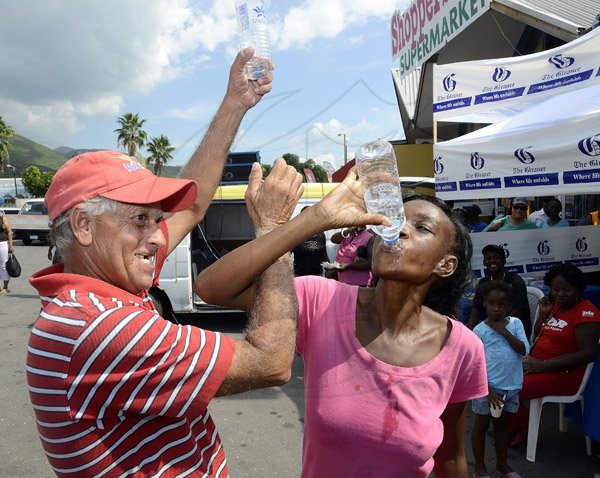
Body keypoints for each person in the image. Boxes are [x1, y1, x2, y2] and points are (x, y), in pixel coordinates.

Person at [25, 48, 294, 478]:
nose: (157, 234)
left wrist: (233, 104)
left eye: (156, 218)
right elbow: (272, 362)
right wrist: (275, 233)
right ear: (84, 225)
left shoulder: (97, 290)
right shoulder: (100, 326)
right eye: (139, 218)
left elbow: (195, 204)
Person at [195, 190, 489, 477]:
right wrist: (312, 220)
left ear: (445, 265)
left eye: (421, 227)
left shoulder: (462, 348)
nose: (398, 230)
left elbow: (451, 456)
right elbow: (212, 288)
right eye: (395, 220)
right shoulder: (321, 300)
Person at [510, 263, 600, 447]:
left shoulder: (586, 312)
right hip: (539, 365)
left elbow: (588, 354)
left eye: (566, 289)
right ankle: (516, 423)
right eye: (555, 289)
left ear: (577, 288)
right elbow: (539, 334)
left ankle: (521, 425)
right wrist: (543, 315)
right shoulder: (557, 306)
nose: (560, 294)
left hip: (565, 374)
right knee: (495, 377)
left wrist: (542, 366)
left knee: (508, 386)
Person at [471, 281, 529, 478]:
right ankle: (479, 467)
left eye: (501, 305)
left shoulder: (515, 324)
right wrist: (487, 390)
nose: (496, 308)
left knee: (502, 427)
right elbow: (474, 365)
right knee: (481, 426)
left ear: (508, 307)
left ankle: (502, 465)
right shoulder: (479, 330)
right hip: (488, 389)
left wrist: (504, 332)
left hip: (510, 388)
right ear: (484, 304)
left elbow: (524, 350)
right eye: (491, 303)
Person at [468, 244, 532, 340]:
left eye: (496, 257)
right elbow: (475, 309)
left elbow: (516, 313)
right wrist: (469, 332)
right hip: (491, 328)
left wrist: (496, 332)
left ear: (504, 260)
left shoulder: (515, 281)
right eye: (488, 258)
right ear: (484, 262)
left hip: (514, 332)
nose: (492, 260)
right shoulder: (483, 282)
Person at [291, 206, 329, 276]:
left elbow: (325, 257)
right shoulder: (295, 235)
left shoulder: (321, 234)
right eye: (305, 216)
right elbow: (286, 258)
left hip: (318, 278)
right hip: (300, 278)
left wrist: (330, 271)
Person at [0, 212, 15, 294]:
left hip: (2, 244)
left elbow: (9, 232)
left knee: (3, 265)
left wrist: (11, 245)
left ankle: (5, 287)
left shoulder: (2, 219)